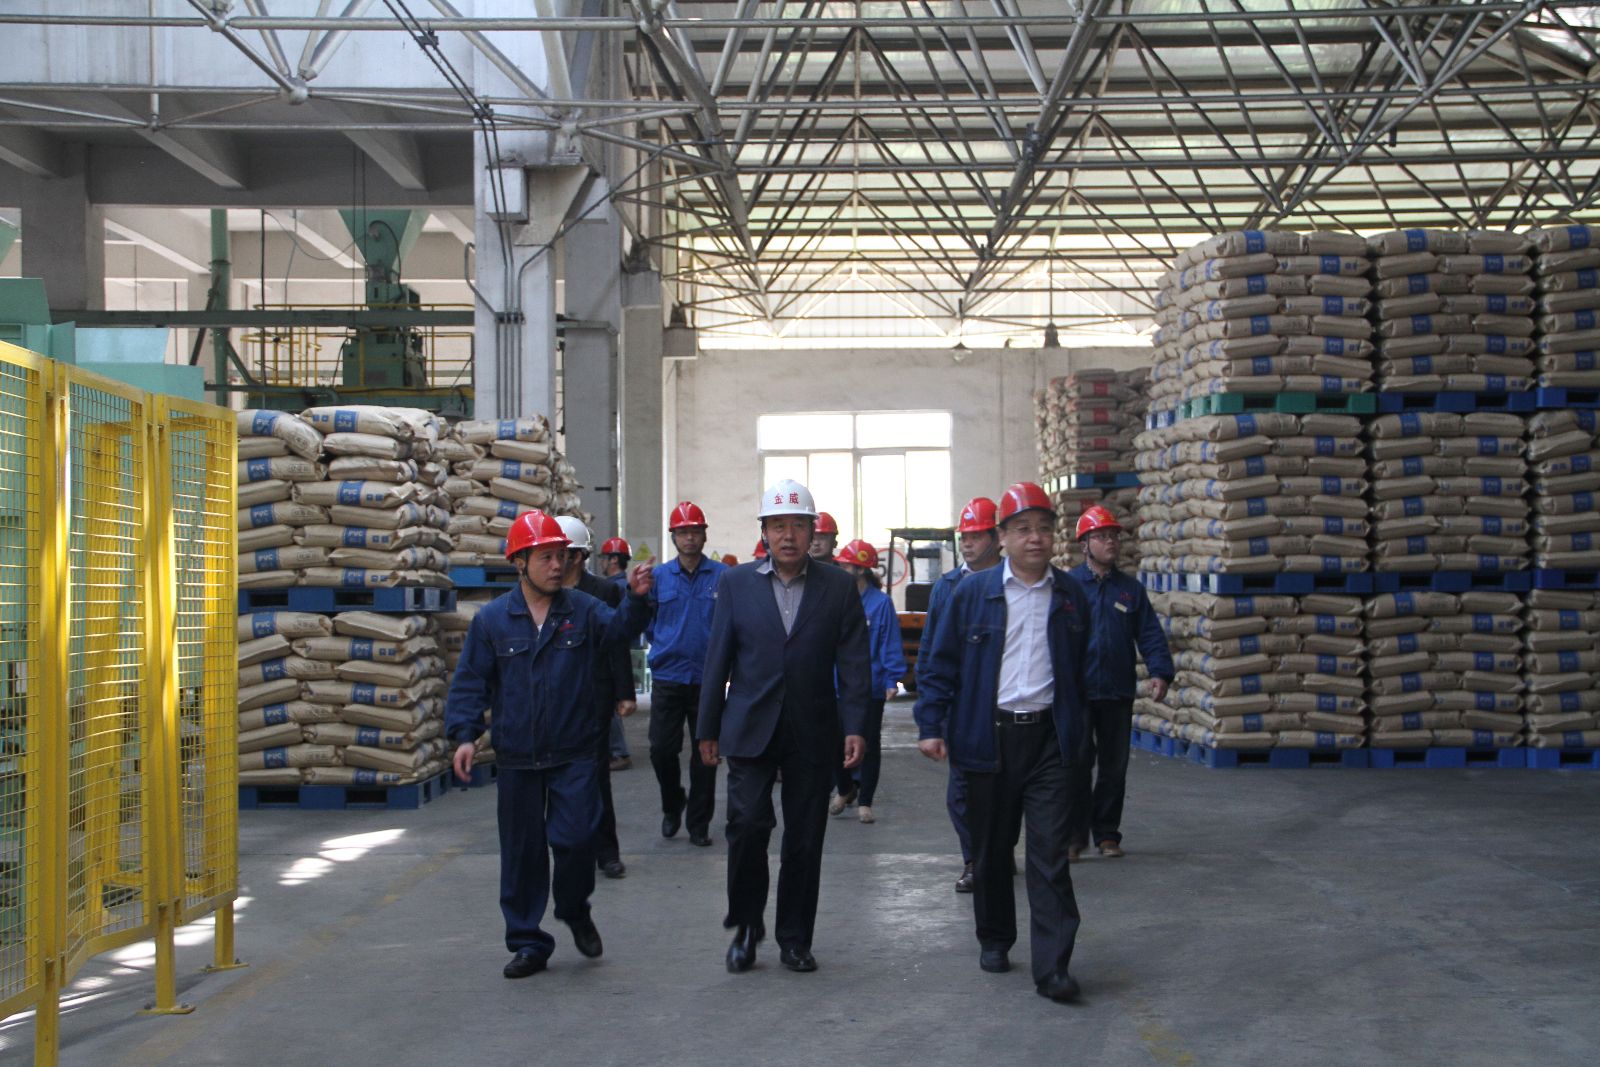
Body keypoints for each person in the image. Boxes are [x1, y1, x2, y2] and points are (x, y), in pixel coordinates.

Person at [445, 510, 654, 979]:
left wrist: (638, 599)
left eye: (561, 556)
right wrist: (464, 735)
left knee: (577, 839)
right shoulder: (493, 621)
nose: (557, 565)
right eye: (546, 557)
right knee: (522, 854)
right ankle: (528, 943)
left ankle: (574, 907)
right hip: (518, 757)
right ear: (519, 562)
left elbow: (620, 631)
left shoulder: (583, 610)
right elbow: (471, 680)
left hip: (574, 751)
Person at [914, 481, 1091, 1004]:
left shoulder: (1070, 595)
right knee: (991, 851)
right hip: (986, 738)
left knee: (1049, 854)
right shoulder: (972, 594)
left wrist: (1081, 735)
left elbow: (1081, 671)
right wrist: (931, 725)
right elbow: (939, 663)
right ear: (1003, 537)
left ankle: (1053, 967)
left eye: (1044, 528)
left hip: (1048, 741)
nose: (1035, 538)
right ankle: (994, 937)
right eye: (1023, 529)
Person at [697, 479, 871, 975]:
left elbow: (854, 661)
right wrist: (707, 727)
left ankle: (795, 938)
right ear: (765, 532)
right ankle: (746, 927)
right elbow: (718, 657)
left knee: (805, 837)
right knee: (747, 826)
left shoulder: (837, 587)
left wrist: (856, 725)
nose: (788, 535)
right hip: (750, 725)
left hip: (812, 729)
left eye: (798, 525)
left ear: (814, 533)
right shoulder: (736, 584)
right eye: (778, 526)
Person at [1065, 505, 1173, 860]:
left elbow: (1150, 634)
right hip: (1077, 693)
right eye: (1101, 536)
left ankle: (1107, 835)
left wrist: (1160, 672)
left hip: (1116, 690)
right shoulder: (1068, 587)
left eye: (1113, 536)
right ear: (1085, 544)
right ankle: (1073, 838)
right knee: (1076, 766)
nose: (1110, 542)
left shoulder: (1129, 590)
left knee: (1114, 767)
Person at [917, 496, 1003, 892]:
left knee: (1004, 789)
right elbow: (931, 648)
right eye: (963, 536)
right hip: (961, 703)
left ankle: (995, 850)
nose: (967, 543)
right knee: (962, 790)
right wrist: (930, 713)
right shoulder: (947, 587)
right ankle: (974, 860)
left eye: (976, 536)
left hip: (1005, 703)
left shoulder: (1012, 583)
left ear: (996, 537)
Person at [557, 516, 637, 880]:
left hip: (594, 693)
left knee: (595, 775)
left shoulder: (603, 591)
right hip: (554, 697)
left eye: (563, 554)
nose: (555, 562)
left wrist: (624, 692)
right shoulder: (541, 591)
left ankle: (607, 853)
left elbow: (616, 642)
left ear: (578, 556)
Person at [646, 501, 727, 847]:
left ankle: (698, 823)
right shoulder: (659, 577)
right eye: (683, 532)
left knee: (705, 754)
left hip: (708, 679)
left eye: (695, 531)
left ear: (704, 535)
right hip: (668, 677)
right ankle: (673, 802)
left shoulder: (723, 576)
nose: (689, 538)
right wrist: (668, 644)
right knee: (661, 750)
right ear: (674, 537)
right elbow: (648, 621)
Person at [829, 539, 906, 824]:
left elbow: (889, 641)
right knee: (835, 742)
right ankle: (845, 789)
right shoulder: (836, 600)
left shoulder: (880, 604)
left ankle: (866, 801)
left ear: (860, 570)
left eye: (846, 566)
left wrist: (892, 678)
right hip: (837, 684)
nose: (842, 569)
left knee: (869, 743)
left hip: (870, 686)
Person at [600, 535, 637, 772]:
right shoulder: (624, 585)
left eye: (604, 558)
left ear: (614, 560)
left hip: (613, 648)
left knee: (610, 701)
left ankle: (618, 752)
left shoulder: (614, 588)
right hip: (621, 646)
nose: (602, 562)